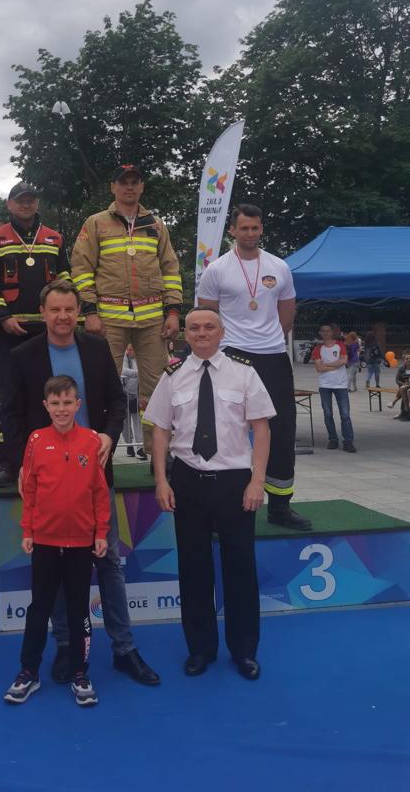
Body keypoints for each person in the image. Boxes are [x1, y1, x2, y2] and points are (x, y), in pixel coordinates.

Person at [4, 279, 160, 686]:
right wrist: (23, 464)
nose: (62, 317)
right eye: (55, 309)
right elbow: (12, 416)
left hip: (94, 476)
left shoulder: (96, 348)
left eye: (69, 309)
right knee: (55, 568)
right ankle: (66, 644)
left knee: (108, 563)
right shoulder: (23, 356)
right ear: (43, 312)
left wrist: (108, 435)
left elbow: (117, 402)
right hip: (49, 482)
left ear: (78, 312)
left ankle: (124, 648)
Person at [145, 308, 275, 680]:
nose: (201, 333)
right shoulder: (172, 376)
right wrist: (161, 480)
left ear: (222, 332)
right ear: (184, 335)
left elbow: (261, 429)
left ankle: (244, 650)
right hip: (188, 480)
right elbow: (160, 430)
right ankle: (200, 648)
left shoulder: (244, 373)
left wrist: (257, 481)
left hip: (235, 482)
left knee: (240, 568)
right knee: (194, 568)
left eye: (209, 327)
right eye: (194, 328)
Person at [198, 203, 311, 531]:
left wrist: (270, 339)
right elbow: (207, 317)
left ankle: (280, 506)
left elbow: (287, 312)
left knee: (281, 429)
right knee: (226, 429)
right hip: (233, 355)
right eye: (244, 228)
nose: (250, 233)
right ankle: (223, 507)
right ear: (232, 230)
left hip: (273, 356)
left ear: (262, 229)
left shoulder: (279, 266)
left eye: (255, 228)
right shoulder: (217, 269)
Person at [4, 375, 109, 708]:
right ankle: (28, 671)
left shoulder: (91, 441)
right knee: (40, 607)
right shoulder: (36, 440)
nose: (61, 409)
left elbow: (99, 492)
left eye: (67, 403)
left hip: (80, 542)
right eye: (55, 403)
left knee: (78, 609)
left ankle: (80, 673)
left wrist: (101, 532)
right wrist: (28, 530)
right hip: (45, 541)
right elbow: (30, 489)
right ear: (46, 406)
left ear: (78, 405)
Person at [71, 164, 182, 458]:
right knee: (100, 384)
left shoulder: (157, 225)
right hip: (108, 320)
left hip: (152, 320)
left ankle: (159, 455)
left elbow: (170, 270)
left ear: (142, 186)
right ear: (113, 187)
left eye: (135, 182)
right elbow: (81, 269)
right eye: (123, 182)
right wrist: (89, 312)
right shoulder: (95, 223)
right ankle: (97, 452)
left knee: (157, 389)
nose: (129, 187)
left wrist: (173, 312)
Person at [0, 181, 71, 485]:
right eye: (20, 200)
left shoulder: (55, 238)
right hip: (10, 333)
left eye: (30, 200)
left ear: (37, 203)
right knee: (10, 398)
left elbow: (65, 280)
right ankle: (11, 462)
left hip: (48, 333)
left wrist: (63, 319)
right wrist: (2, 318)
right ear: (9, 204)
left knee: (49, 396)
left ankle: (52, 458)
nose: (26, 204)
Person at [311, 324, 357, 452]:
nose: (326, 333)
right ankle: (333, 439)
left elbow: (344, 360)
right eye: (323, 331)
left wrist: (327, 365)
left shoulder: (340, 345)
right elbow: (318, 368)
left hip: (340, 384)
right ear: (320, 333)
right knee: (328, 414)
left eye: (328, 330)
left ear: (332, 332)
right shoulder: (318, 348)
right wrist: (336, 365)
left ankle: (348, 441)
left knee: (345, 414)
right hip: (325, 385)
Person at [120, 345, 144, 458]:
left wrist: (135, 373)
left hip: (136, 395)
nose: (129, 352)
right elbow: (122, 370)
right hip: (123, 394)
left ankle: (140, 447)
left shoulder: (140, 358)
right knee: (125, 422)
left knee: (137, 421)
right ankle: (129, 445)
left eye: (131, 350)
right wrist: (136, 373)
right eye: (128, 349)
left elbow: (143, 371)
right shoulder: (123, 357)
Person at [391, 351, 410, 420]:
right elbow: (397, 380)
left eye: (409, 358)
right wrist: (402, 383)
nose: (408, 360)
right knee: (404, 390)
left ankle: (404, 411)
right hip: (403, 386)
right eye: (406, 359)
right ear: (404, 360)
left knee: (406, 391)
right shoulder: (401, 368)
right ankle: (404, 412)